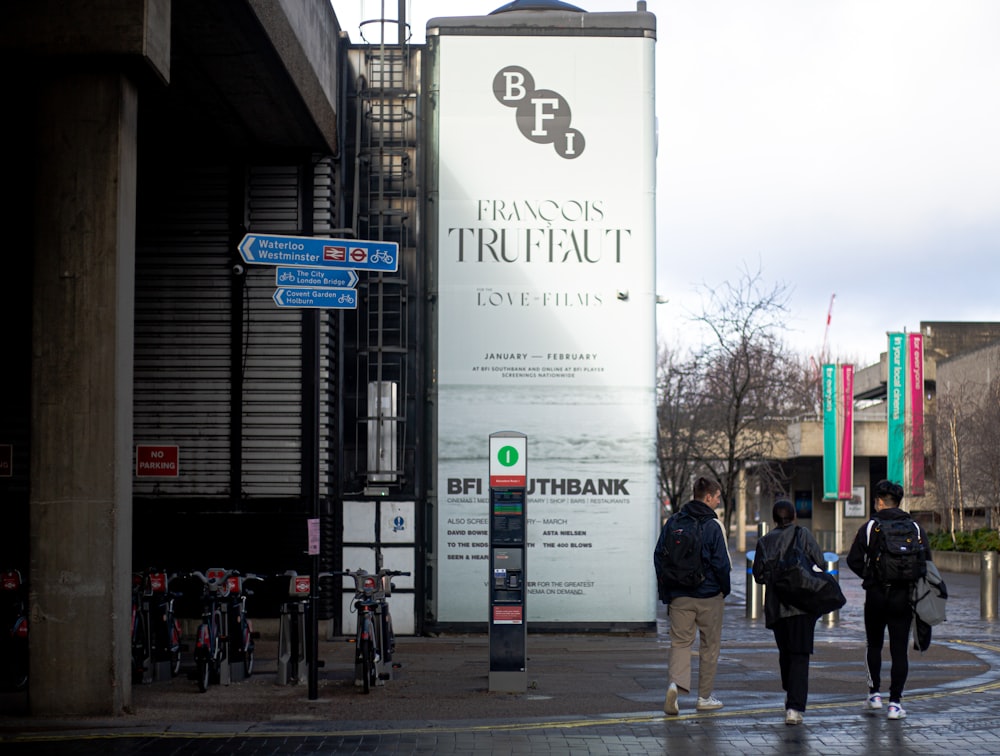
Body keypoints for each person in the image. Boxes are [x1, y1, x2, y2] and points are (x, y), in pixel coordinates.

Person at [846, 479, 933, 721]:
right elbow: (926, 562)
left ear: (881, 502)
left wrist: (870, 576)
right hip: (904, 596)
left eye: (876, 501)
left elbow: (852, 560)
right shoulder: (915, 528)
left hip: (876, 596)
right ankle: (895, 703)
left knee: (873, 645)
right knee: (899, 650)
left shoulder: (870, 526)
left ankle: (874, 695)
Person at [655, 476, 732, 715]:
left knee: (680, 643)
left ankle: (674, 686)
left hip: (680, 596)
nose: (719, 501)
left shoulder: (674, 521)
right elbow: (722, 563)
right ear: (707, 497)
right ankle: (704, 697)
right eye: (717, 497)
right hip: (709, 596)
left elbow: (659, 555)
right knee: (709, 646)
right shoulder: (713, 525)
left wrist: (668, 590)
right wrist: (724, 589)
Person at [751, 499, 826, 725]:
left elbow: (758, 575)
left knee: (786, 652)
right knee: (800, 655)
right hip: (803, 603)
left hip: (778, 605)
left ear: (774, 518)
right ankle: (794, 708)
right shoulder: (803, 535)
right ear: (793, 516)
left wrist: (777, 578)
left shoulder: (765, 542)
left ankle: (790, 691)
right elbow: (821, 562)